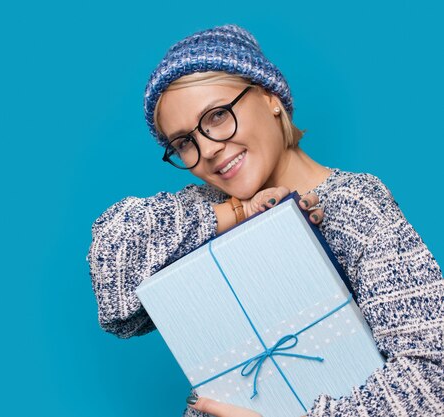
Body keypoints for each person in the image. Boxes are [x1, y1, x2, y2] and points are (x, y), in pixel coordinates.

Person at [87, 24, 444, 417]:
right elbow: (114, 272)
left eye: (218, 116)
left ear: (270, 97)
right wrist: (238, 214)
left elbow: (432, 379)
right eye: (185, 143)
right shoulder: (209, 211)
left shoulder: (355, 205)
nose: (207, 150)